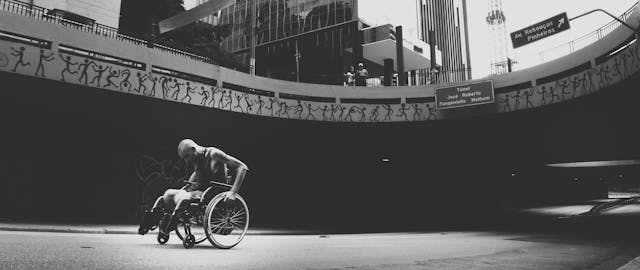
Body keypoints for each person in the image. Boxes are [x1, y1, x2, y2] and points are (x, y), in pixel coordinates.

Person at [138, 139, 249, 236]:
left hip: (213, 192)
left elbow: (242, 167)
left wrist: (233, 192)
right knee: (168, 194)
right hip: (200, 190)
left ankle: (174, 220)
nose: (186, 160)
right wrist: (188, 186)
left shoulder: (214, 154)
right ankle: (152, 220)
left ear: (193, 149)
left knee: (182, 197)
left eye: (187, 156)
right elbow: (197, 174)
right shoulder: (197, 159)